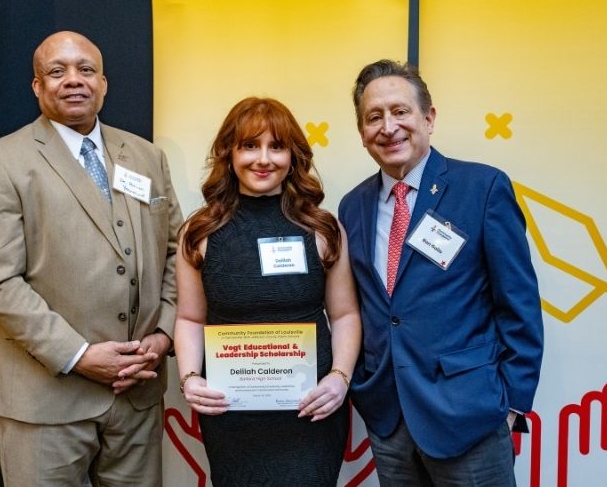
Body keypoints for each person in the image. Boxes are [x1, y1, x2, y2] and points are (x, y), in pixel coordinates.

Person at [0, 31, 183, 486]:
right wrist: (78, 354)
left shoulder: (146, 157)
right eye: (56, 72)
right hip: (45, 398)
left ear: (104, 83)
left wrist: (163, 337)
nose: (73, 80)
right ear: (37, 87)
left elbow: (178, 251)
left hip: (137, 392)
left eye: (85, 70)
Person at [338, 59, 544, 485]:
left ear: (428, 119)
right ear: (362, 133)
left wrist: (511, 406)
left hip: (470, 418)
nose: (388, 127)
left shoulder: (482, 188)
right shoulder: (352, 206)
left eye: (400, 111)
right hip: (389, 418)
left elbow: (518, 303)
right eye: (373, 117)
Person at [173, 97, 361, 486]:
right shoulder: (199, 232)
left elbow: (345, 315)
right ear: (229, 153)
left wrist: (339, 379)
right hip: (232, 414)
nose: (263, 159)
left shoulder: (323, 229)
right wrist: (190, 378)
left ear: (293, 156)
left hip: (312, 409)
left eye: (276, 146)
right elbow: (190, 318)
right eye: (249, 146)